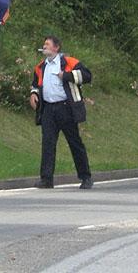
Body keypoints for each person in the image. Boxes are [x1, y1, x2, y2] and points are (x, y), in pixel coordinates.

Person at [28, 36, 93, 190]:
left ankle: (85, 177)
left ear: (56, 48)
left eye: (47, 44)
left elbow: (87, 76)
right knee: (48, 143)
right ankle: (46, 179)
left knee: (74, 142)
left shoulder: (69, 62)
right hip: (49, 109)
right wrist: (34, 94)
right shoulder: (40, 67)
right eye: (44, 44)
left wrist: (67, 76)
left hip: (66, 108)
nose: (44, 47)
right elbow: (36, 84)